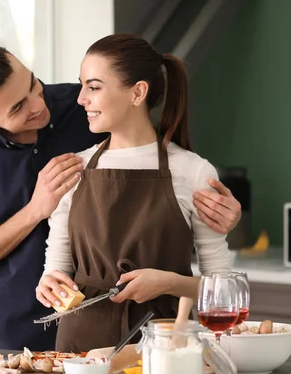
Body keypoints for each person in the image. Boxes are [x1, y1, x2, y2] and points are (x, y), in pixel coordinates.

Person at [0, 41, 241, 351]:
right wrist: (35, 212)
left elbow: (157, 157)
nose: (38, 105)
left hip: (159, 336)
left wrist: (221, 212)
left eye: (33, 85)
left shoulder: (86, 106)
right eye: (18, 107)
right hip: (29, 328)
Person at [35, 33, 234, 352]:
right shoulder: (74, 169)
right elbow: (57, 269)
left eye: (94, 87)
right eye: (83, 85)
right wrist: (50, 284)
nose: (81, 98)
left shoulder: (193, 172)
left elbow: (223, 292)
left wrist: (168, 283)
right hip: (80, 349)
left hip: (164, 346)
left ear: (138, 92)